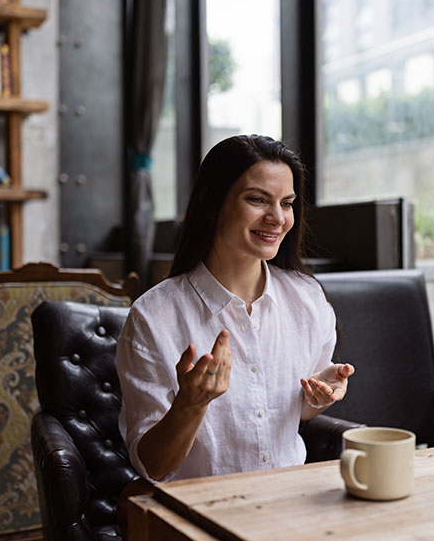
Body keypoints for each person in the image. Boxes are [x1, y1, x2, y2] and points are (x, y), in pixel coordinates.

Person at [116, 134, 354, 483]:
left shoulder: (308, 299)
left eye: (287, 203)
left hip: (289, 499)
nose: (277, 218)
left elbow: (294, 413)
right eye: (257, 199)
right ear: (211, 202)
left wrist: (318, 395)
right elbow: (154, 466)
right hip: (200, 513)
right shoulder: (153, 317)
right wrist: (190, 404)